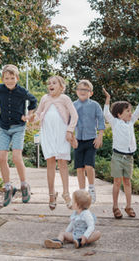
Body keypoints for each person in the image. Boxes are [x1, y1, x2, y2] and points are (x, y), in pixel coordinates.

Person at [0, 64, 37, 207]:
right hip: (4, 127)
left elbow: (33, 100)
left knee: (17, 157)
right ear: (3, 79)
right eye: (7, 78)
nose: (10, 81)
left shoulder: (22, 91)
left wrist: (29, 115)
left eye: (12, 78)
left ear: (17, 78)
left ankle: (24, 185)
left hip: (18, 127)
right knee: (1, 157)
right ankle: (8, 187)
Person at [103, 83, 139, 219]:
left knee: (127, 182)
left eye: (130, 110)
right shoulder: (115, 122)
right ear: (119, 114)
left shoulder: (131, 122)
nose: (130, 113)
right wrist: (108, 99)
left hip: (129, 157)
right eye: (127, 111)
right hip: (117, 157)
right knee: (117, 182)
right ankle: (115, 206)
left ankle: (129, 206)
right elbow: (106, 113)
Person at [34, 75, 78, 210]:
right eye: (49, 83)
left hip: (62, 134)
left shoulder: (65, 99)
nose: (50, 85)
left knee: (62, 163)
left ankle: (66, 193)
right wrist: (32, 117)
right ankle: (52, 194)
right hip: (47, 134)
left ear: (61, 86)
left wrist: (70, 131)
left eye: (54, 83)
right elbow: (38, 113)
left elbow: (74, 115)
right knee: (50, 163)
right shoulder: (44, 98)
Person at [73, 80, 105, 203]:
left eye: (85, 90)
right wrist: (71, 138)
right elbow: (69, 121)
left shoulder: (95, 105)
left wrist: (100, 136)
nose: (82, 91)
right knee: (80, 168)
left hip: (91, 139)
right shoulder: (73, 105)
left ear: (90, 93)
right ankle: (81, 191)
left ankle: (91, 188)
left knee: (89, 166)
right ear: (77, 91)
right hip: (77, 140)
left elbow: (101, 120)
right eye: (80, 89)